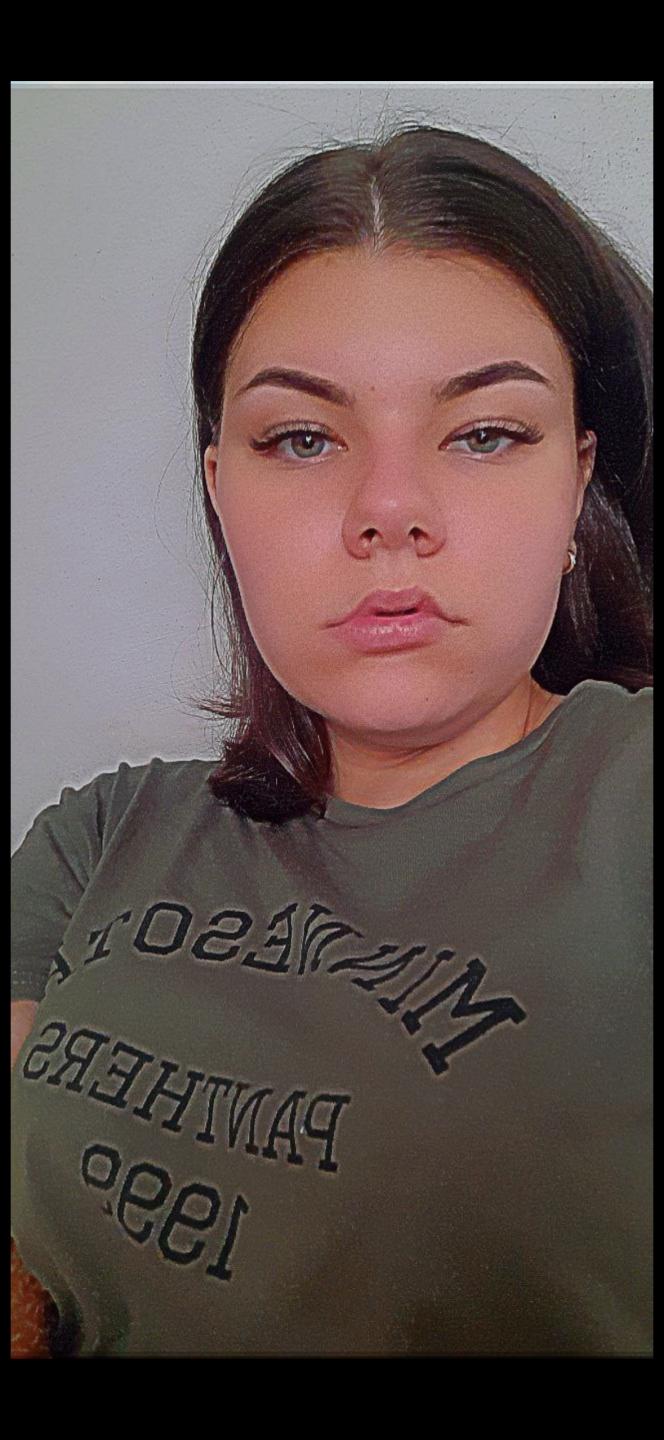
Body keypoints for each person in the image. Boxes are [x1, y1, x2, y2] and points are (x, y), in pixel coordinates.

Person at [11, 122, 652, 1358]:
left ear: (578, 477)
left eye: (484, 433)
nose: (389, 510)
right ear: (218, 484)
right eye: (301, 438)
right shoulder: (99, 838)